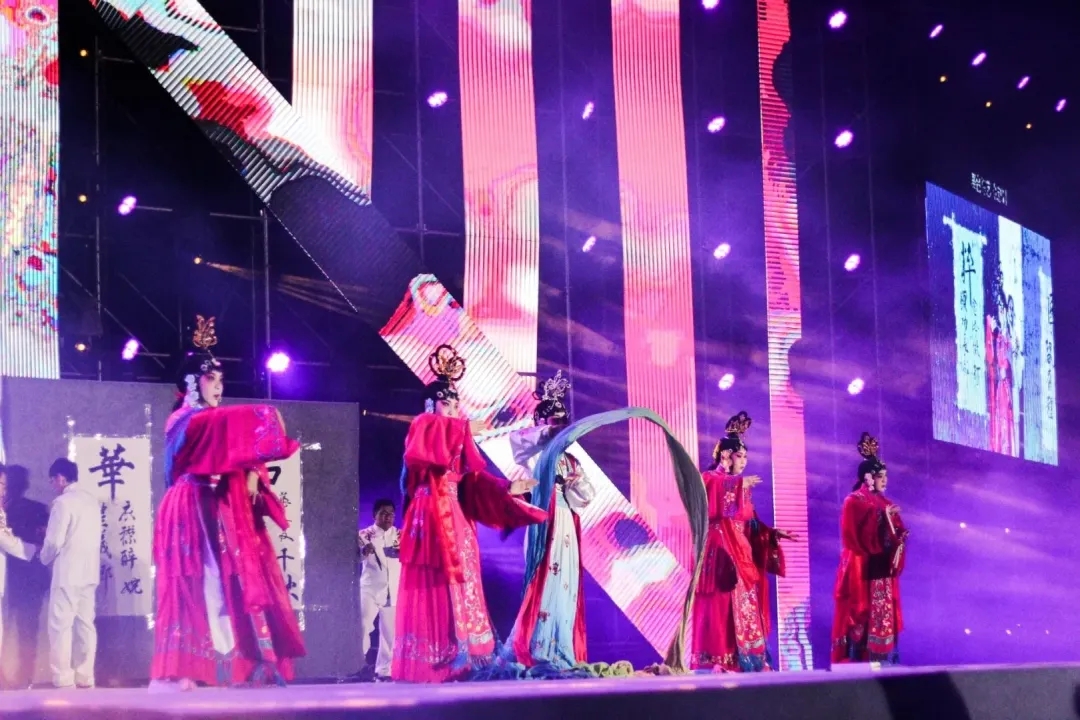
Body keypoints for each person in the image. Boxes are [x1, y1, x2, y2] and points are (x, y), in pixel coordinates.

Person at [149, 316, 305, 692]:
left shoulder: (216, 421)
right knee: (196, 582)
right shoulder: (184, 420)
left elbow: (240, 451)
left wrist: (252, 475)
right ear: (191, 382)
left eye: (221, 380)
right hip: (191, 506)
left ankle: (236, 661)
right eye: (210, 379)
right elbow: (226, 432)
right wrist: (264, 416)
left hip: (219, 506)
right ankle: (186, 666)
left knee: (228, 583)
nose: (219, 387)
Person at [392, 344, 547, 683]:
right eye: (446, 403)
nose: (454, 410)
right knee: (435, 580)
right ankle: (436, 657)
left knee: (465, 579)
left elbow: (473, 481)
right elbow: (426, 446)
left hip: (457, 514)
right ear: (431, 405)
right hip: (431, 511)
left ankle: (465, 654)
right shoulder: (424, 426)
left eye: (455, 403)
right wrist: (466, 427)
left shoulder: (455, 435)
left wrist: (509, 488)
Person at [691, 412, 798, 672]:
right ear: (725, 456)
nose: (744, 461)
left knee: (746, 604)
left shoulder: (739, 485)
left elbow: (747, 522)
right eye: (740, 456)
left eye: (745, 457)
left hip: (741, 551)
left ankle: (748, 660)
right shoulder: (709, 478)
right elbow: (713, 509)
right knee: (722, 606)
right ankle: (721, 660)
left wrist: (770, 533)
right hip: (721, 551)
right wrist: (736, 486)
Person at [504, 371, 595, 669]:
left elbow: (587, 495)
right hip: (544, 524)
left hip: (566, 523)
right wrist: (549, 433)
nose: (560, 429)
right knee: (543, 582)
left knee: (566, 583)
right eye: (555, 423)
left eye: (563, 423)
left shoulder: (571, 461)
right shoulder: (536, 455)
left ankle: (561, 649)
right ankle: (537, 647)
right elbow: (517, 442)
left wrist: (573, 482)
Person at [831, 432, 907, 665]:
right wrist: (883, 517)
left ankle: (885, 660)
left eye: (885, 476)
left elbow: (894, 532)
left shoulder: (885, 502)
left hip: (881, 570)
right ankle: (859, 660)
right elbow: (852, 537)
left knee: (884, 614)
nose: (885, 480)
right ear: (867, 477)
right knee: (860, 615)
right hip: (861, 568)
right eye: (880, 476)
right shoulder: (853, 501)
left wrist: (899, 535)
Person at [39, 457, 101, 689]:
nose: (52, 485)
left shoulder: (62, 503)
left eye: (52, 481)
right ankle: (85, 676)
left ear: (61, 478)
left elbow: (54, 542)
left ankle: (63, 677)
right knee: (86, 625)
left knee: (60, 626)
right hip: (89, 572)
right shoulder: (91, 501)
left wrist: (43, 558)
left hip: (67, 572)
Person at [0, 465, 38, 674]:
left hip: (18, 580)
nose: (4, 489)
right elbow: (4, 539)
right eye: (2, 484)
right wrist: (33, 550)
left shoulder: (31, 508)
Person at [358, 498, 400, 681]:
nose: (388, 517)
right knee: (363, 625)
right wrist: (364, 552)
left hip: (393, 590)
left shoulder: (400, 535)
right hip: (370, 590)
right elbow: (357, 557)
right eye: (383, 513)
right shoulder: (364, 534)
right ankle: (358, 664)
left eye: (391, 514)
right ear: (374, 515)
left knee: (390, 634)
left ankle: (384, 670)